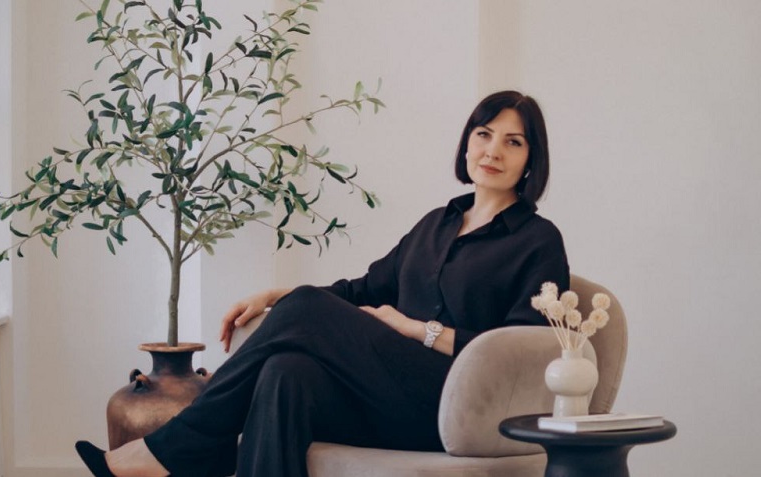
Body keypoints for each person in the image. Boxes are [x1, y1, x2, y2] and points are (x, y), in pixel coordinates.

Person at [75, 90, 570, 477]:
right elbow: (361, 291)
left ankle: (181, 447)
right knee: (286, 372)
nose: (493, 150)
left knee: (307, 310)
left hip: (460, 406)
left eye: (513, 142)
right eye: (484, 134)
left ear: (532, 159)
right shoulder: (435, 225)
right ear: (467, 142)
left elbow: (524, 352)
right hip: (390, 398)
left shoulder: (538, 241)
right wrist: (276, 297)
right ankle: (200, 449)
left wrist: (419, 330)